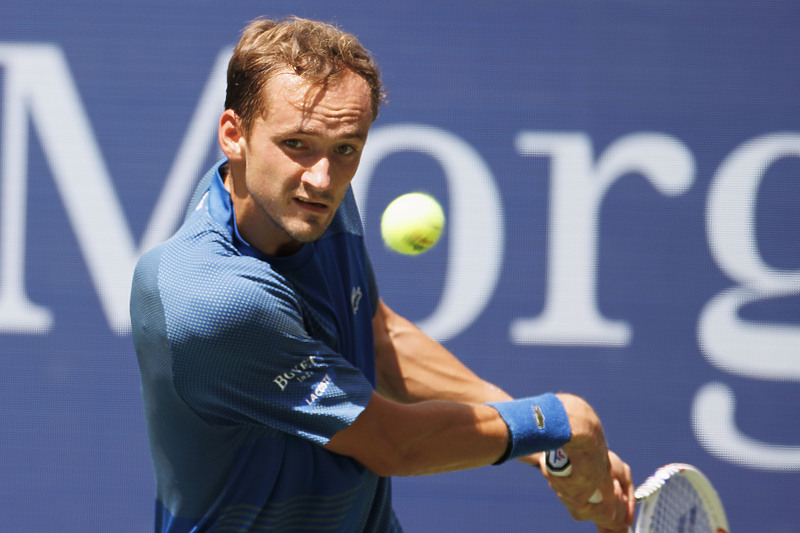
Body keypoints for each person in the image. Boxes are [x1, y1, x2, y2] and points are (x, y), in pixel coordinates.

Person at [130, 16, 634, 533]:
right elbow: (393, 445)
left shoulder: (307, 200)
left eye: (346, 148)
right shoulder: (211, 299)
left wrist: (550, 447)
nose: (322, 179)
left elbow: (379, 337)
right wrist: (558, 421)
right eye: (296, 144)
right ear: (233, 135)